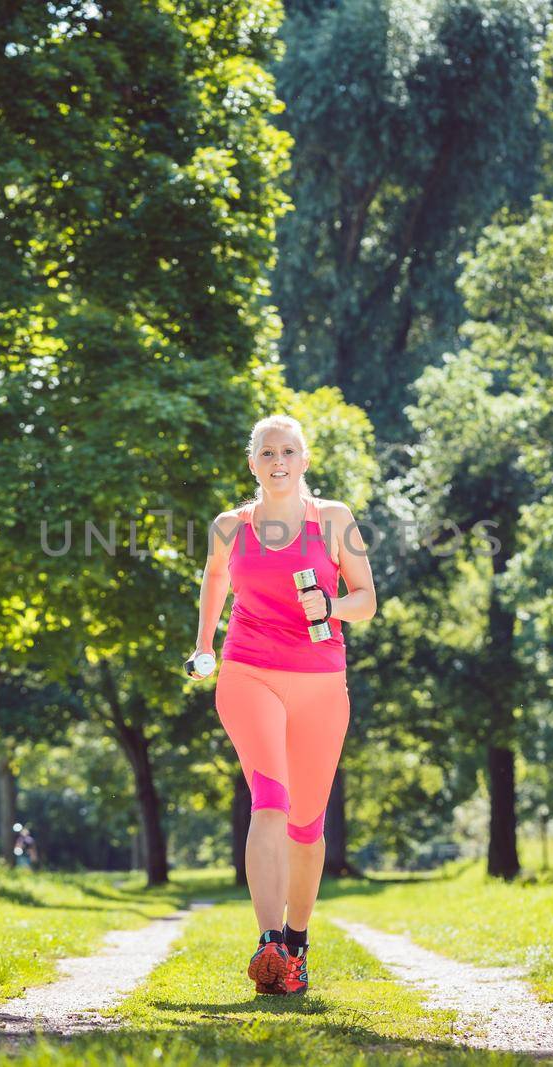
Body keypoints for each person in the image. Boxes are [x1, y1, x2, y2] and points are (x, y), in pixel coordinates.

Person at [189, 414, 377, 996]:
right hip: (249, 671)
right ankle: (268, 940)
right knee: (270, 799)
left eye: (288, 451)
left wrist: (330, 606)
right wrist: (204, 646)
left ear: (304, 460)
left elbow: (366, 599)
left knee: (307, 825)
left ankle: (296, 944)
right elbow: (215, 579)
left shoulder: (334, 520)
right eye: (267, 452)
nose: (278, 461)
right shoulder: (229, 526)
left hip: (321, 678)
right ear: (253, 464)